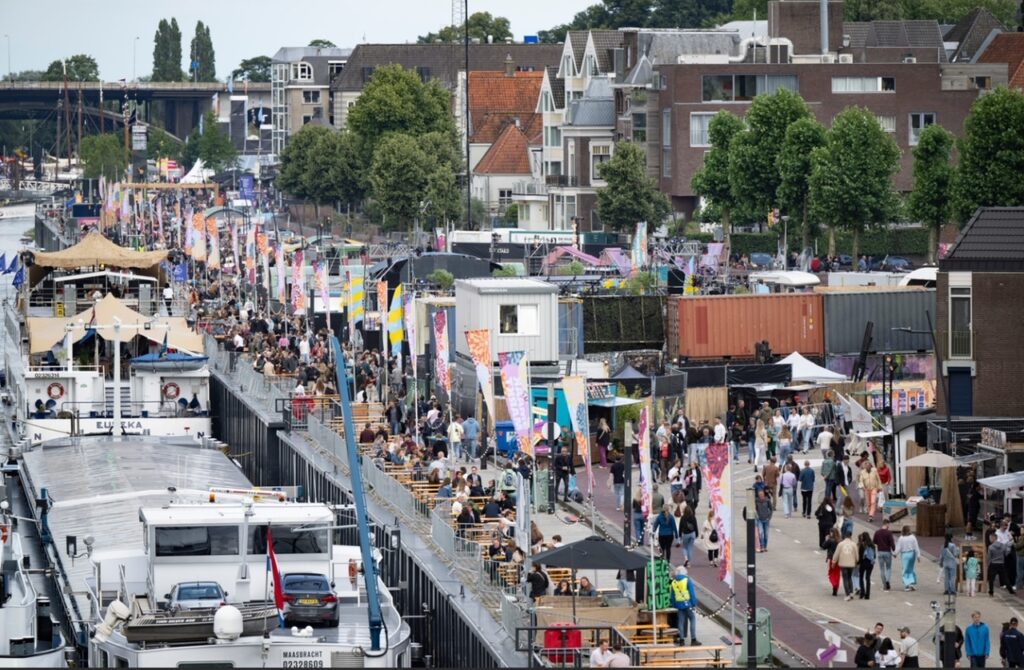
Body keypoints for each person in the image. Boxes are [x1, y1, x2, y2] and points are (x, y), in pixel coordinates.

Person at [670, 566, 700, 646]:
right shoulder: (687, 580)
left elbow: (672, 596)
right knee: (692, 619)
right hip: (688, 604)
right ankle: (693, 639)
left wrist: (674, 605)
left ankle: (681, 640)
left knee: (680, 622)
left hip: (679, 605)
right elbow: (692, 593)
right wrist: (694, 604)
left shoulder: (673, 582)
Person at [894, 525, 921, 591]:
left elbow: (898, 547)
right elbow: (916, 547)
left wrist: (895, 553)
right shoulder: (913, 537)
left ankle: (907, 585)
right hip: (912, 554)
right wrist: (918, 555)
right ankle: (911, 583)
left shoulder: (901, 538)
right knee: (911, 568)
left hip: (904, 554)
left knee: (905, 569)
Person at [873, 520, 897, 591]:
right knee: (888, 568)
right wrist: (894, 550)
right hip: (887, 552)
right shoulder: (889, 533)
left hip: (880, 552)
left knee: (882, 569)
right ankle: (887, 580)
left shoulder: (877, 532)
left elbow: (874, 541)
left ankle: (884, 585)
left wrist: (879, 544)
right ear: (887, 524)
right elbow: (892, 543)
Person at [835, 531, 860, 600]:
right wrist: (856, 561)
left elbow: (836, 554)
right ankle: (851, 592)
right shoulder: (854, 544)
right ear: (851, 536)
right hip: (851, 564)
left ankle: (847, 594)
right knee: (849, 577)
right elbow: (856, 555)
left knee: (845, 578)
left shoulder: (840, 544)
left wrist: (834, 561)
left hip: (843, 564)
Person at [858, 532, 876, 600]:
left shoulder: (862, 545)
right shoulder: (872, 545)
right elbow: (874, 555)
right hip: (870, 563)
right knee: (868, 578)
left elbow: (860, 556)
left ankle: (862, 592)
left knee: (861, 577)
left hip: (863, 563)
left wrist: (857, 563)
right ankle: (867, 594)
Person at [824, 527, 842, 596]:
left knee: (831, 573)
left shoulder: (830, 540)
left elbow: (824, 546)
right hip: (839, 559)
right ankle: (836, 587)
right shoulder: (840, 540)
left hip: (832, 558)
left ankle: (834, 584)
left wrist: (826, 539)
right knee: (837, 573)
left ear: (832, 533)